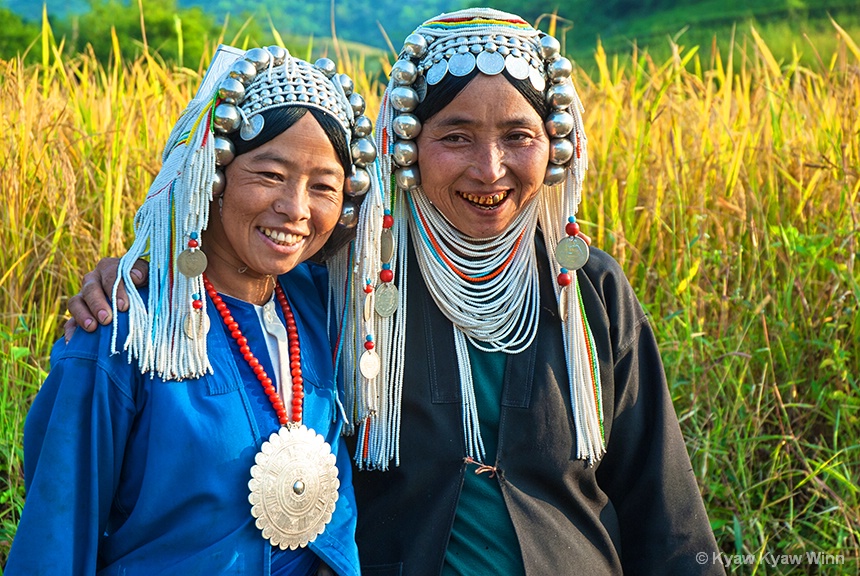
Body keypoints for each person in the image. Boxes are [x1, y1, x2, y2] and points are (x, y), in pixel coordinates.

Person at [63, 8, 726, 575]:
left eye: (517, 136)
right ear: (406, 146)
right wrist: (138, 272)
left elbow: (662, 509)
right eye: (455, 137)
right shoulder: (343, 278)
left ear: (553, 146)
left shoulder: (591, 293)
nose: (489, 169)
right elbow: (234, 269)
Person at [5, 44, 381, 575]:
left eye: (323, 186)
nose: (295, 209)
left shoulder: (323, 310)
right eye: (270, 175)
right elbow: (56, 537)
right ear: (212, 174)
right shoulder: (123, 333)